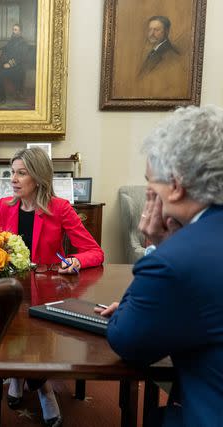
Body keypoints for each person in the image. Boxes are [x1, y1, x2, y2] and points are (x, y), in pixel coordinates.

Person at [96, 105, 223, 427]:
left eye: (151, 184)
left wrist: (155, 249)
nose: (150, 195)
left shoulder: (175, 261)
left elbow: (128, 342)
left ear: (176, 186)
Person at [0, 147, 104, 427]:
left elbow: (94, 251)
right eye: (12, 173)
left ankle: (41, 387)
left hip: (45, 292)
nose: (14, 179)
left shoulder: (60, 208)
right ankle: (20, 379)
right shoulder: (4, 206)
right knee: (8, 325)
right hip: (11, 286)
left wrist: (75, 261)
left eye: (22, 173)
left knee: (34, 334)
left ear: (39, 177)